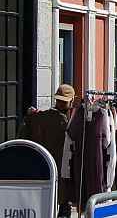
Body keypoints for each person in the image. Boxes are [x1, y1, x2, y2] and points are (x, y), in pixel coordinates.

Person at [19, 84, 75, 218]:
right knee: (63, 204)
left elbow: (23, 133)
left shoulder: (40, 117)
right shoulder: (67, 122)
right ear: (71, 101)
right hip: (61, 169)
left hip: (42, 165)